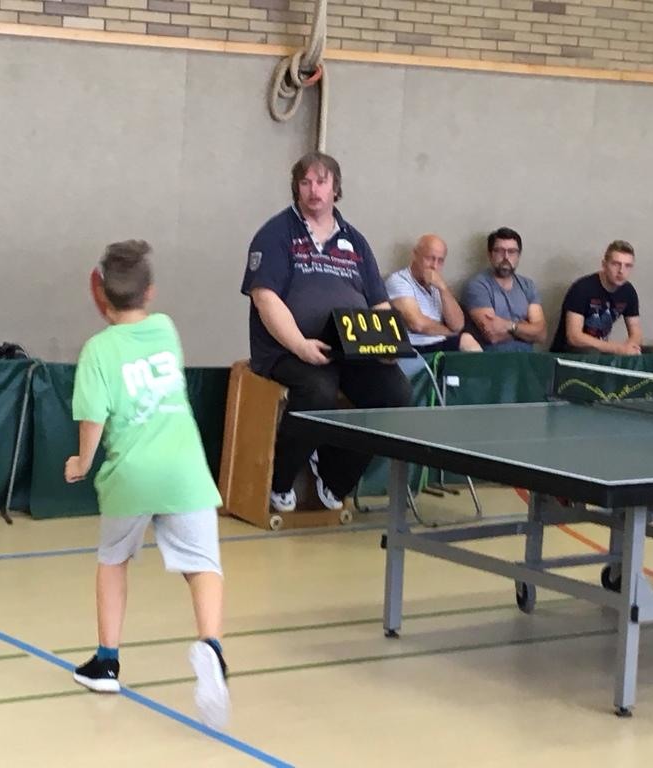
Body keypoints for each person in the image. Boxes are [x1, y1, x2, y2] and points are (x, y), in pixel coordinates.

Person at [65, 240, 230, 730]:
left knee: (114, 561)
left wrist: (81, 462)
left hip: (131, 474)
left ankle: (107, 662)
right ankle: (212, 648)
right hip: (184, 469)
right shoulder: (167, 329)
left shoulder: (97, 350)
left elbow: (93, 419)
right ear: (150, 292)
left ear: (98, 294)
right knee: (202, 567)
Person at [241, 151, 411, 514]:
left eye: (321, 181)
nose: (313, 190)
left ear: (336, 188)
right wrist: (300, 345)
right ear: (296, 189)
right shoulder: (275, 234)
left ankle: (335, 476)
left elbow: (379, 303)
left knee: (395, 393)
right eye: (305, 182)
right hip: (287, 351)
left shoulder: (356, 241)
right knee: (318, 389)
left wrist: (389, 345)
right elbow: (265, 298)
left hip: (350, 349)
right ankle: (280, 480)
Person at [386, 234, 481, 353]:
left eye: (440, 261)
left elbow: (458, 325)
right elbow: (417, 324)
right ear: (415, 254)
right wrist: (449, 332)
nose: (434, 266)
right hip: (415, 346)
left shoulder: (437, 285)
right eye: (430, 258)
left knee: (468, 341)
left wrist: (443, 289)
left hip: (439, 342)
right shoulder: (399, 281)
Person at [550, 240, 641, 354]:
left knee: (652, 352)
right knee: (592, 353)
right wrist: (617, 348)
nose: (621, 271)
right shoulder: (582, 288)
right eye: (616, 264)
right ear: (604, 265)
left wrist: (631, 347)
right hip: (571, 352)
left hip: (601, 349)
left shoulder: (628, 292)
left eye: (627, 266)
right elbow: (574, 337)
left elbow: (636, 333)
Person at [463, 227, 546, 351]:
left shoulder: (528, 285)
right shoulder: (478, 286)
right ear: (490, 255)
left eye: (512, 251)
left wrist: (509, 325)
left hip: (527, 361)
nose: (506, 257)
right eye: (500, 251)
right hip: (494, 362)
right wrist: (525, 327)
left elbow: (541, 334)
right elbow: (492, 335)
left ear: (519, 255)